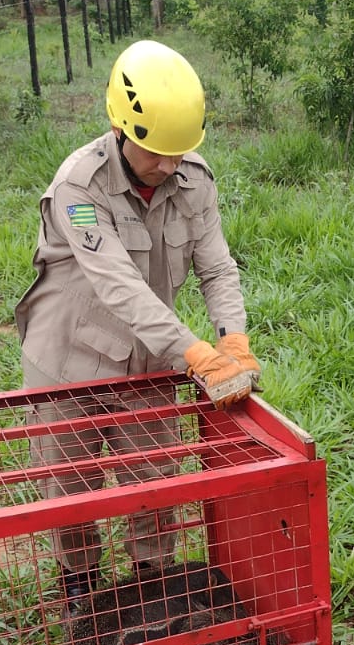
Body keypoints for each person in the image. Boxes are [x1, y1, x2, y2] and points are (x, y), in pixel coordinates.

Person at [15, 39, 260, 615]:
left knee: (154, 480)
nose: (170, 165)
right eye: (157, 152)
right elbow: (119, 286)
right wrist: (196, 353)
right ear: (121, 127)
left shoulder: (195, 180)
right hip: (69, 357)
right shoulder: (81, 186)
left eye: (180, 151)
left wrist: (232, 337)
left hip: (150, 359)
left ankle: (151, 586)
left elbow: (217, 266)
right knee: (69, 483)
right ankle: (80, 584)